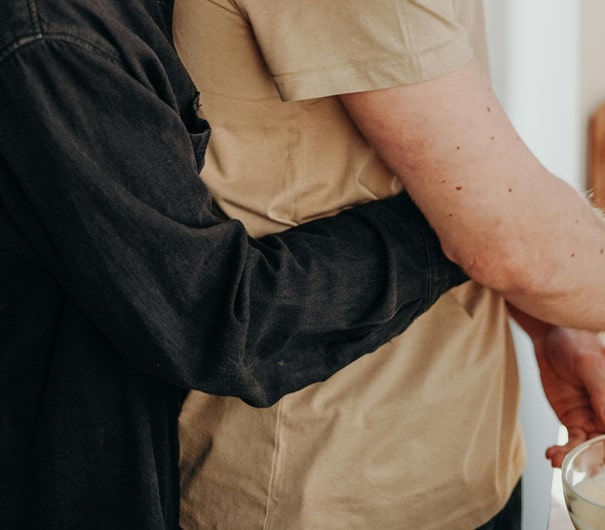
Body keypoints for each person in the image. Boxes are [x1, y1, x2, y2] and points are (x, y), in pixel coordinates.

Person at [173, 1, 605, 529]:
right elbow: (502, 237)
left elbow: (448, 172)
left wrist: (552, 315)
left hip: (457, 462)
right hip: (332, 485)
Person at [0, 1, 480, 528]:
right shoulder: (51, 41)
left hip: (445, 445)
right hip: (86, 483)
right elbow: (218, 314)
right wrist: (466, 224)